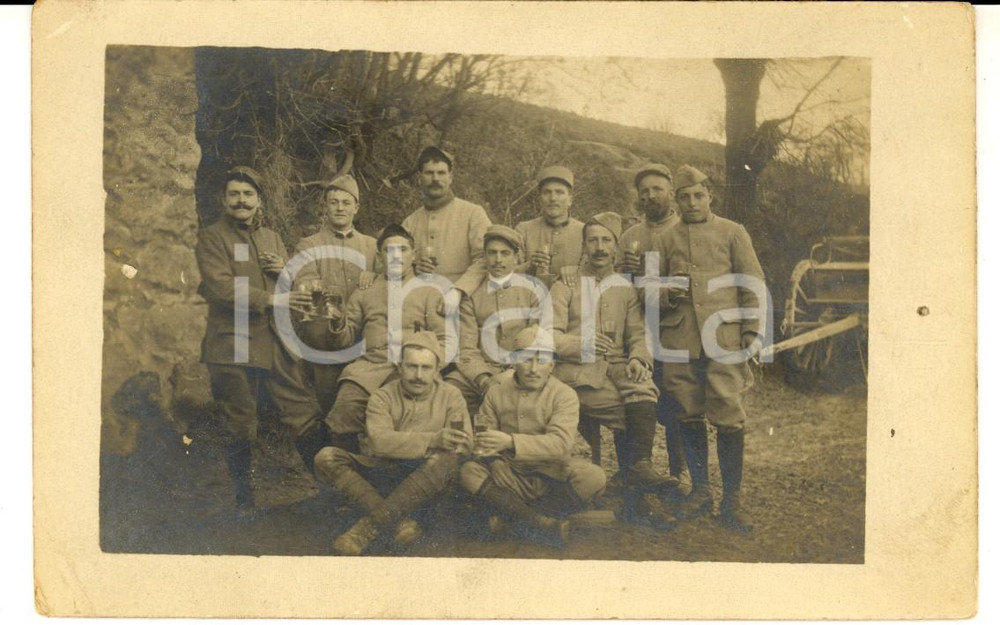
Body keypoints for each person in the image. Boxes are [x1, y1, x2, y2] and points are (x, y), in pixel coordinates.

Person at [195, 166, 321, 517]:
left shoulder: (272, 239)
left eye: (248, 194)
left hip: (274, 340)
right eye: (234, 194)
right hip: (233, 340)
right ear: (223, 199)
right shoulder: (212, 238)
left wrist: (284, 272)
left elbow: (290, 289)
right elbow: (220, 288)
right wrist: (272, 299)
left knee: (302, 411)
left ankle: (330, 490)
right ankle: (243, 501)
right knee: (240, 419)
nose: (241, 201)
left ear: (259, 200)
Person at [654, 165, 766, 533]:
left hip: (725, 340)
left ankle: (731, 501)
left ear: (709, 196)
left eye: (697, 195)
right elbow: (650, 289)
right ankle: (701, 492)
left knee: (729, 414)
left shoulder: (733, 232)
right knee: (688, 413)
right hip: (680, 340)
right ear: (676, 200)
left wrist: (752, 332)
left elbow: (752, 283)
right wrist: (668, 293)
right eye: (683, 197)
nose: (691, 202)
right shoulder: (666, 239)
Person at [549, 211, 677, 530]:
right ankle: (638, 492)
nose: (600, 247)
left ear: (617, 247)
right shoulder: (565, 283)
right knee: (628, 413)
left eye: (606, 240)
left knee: (643, 387)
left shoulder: (625, 288)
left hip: (616, 367)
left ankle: (638, 474)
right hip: (576, 373)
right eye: (593, 240)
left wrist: (638, 358)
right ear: (584, 245)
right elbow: (549, 334)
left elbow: (638, 332)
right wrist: (581, 343)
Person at [294, 223, 447, 465]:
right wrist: (337, 323)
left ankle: (401, 477)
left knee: (406, 420)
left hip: (412, 370)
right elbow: (344, 339)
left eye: (403, 250)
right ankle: (355, 477)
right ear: (379, 257)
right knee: (342, 415)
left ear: (414, 255)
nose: (396, 256)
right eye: (389, 251)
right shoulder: (365, 291)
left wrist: (428, 367)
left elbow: (444, 340)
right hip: (369, 371)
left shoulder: (429, 291)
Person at [313, 331, 472, 556]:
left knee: (447, 460)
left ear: (437, 370)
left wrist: (444, 445)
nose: (418, 375)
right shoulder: (382, 396)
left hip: (426, 475)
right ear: (399, 368)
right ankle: (399, 522)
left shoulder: (451, 395)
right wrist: (433, 439)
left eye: (426, 368)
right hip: (385, 470)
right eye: (411, 366)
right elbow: (379, 443)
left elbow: (465, 443)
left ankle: (368, 527)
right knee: (326, 457)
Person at [459, 326, 606, 545]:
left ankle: (518, 520)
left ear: (552, 366)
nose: (534, 369)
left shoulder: (564, 395)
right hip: (509, 476)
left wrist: (510, 442)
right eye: (527, 360)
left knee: (593, 477)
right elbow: (482, 436)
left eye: (542, 361)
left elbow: (561, 445)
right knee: (469, 472)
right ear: (514, 362)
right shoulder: (497, 389)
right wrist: (494, 461)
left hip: (550, 474)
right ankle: (542, 523)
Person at [619, 164, 687, 484]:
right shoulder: (630, 235)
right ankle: (634, 471)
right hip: (639, 329)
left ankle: (679, 471)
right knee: (637, 397)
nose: (650, 196)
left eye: (657, 189)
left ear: (671, 191)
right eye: (644, 191)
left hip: (677, 326)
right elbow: (617, 286)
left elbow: (687, 283)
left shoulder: (686, 229)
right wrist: (624, 270)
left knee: (676, 400)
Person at [293, 174, 377, 413]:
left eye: (346, 202)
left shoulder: (373, 246)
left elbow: (387, 286)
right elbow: (308, 286)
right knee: (328, 405)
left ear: (356, 207)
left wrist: (375, 276)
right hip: (324, 340)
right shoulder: (309, 245)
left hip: (364, 340)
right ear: (326, 206)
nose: (340, 208)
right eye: (334, 202)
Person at [445, 225, 544, 415]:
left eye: (505, 253)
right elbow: (467, 348)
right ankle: (463, 440)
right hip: (481, 370)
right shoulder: (471, 296)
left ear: (516, 257)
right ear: (484, 257)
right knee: (450, 390)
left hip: (519, 369)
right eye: (492, 253)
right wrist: (483, 378)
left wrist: (514, 372)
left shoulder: (531, 292)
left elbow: (534, 342)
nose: (498, 260)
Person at [401, 146, 493, 309]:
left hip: (465, 303)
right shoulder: (410, 223)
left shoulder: (473, 213)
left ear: (450, 178)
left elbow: (485, 258)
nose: (435, 178)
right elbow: (397, 266)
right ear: (419, 178)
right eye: (429, 173)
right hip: (420, 305)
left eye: (441, 173)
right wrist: (414, 267)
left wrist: (459, 291)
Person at [514, 166, 585, 287]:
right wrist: (529, 266)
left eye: (559, 192)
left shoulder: (585, 232)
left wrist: (578, 271)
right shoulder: (523, 230)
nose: (553, 198)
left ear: (570, 200)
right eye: (547, 192)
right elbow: (506, 271)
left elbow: (597, 271)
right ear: (540, 199)